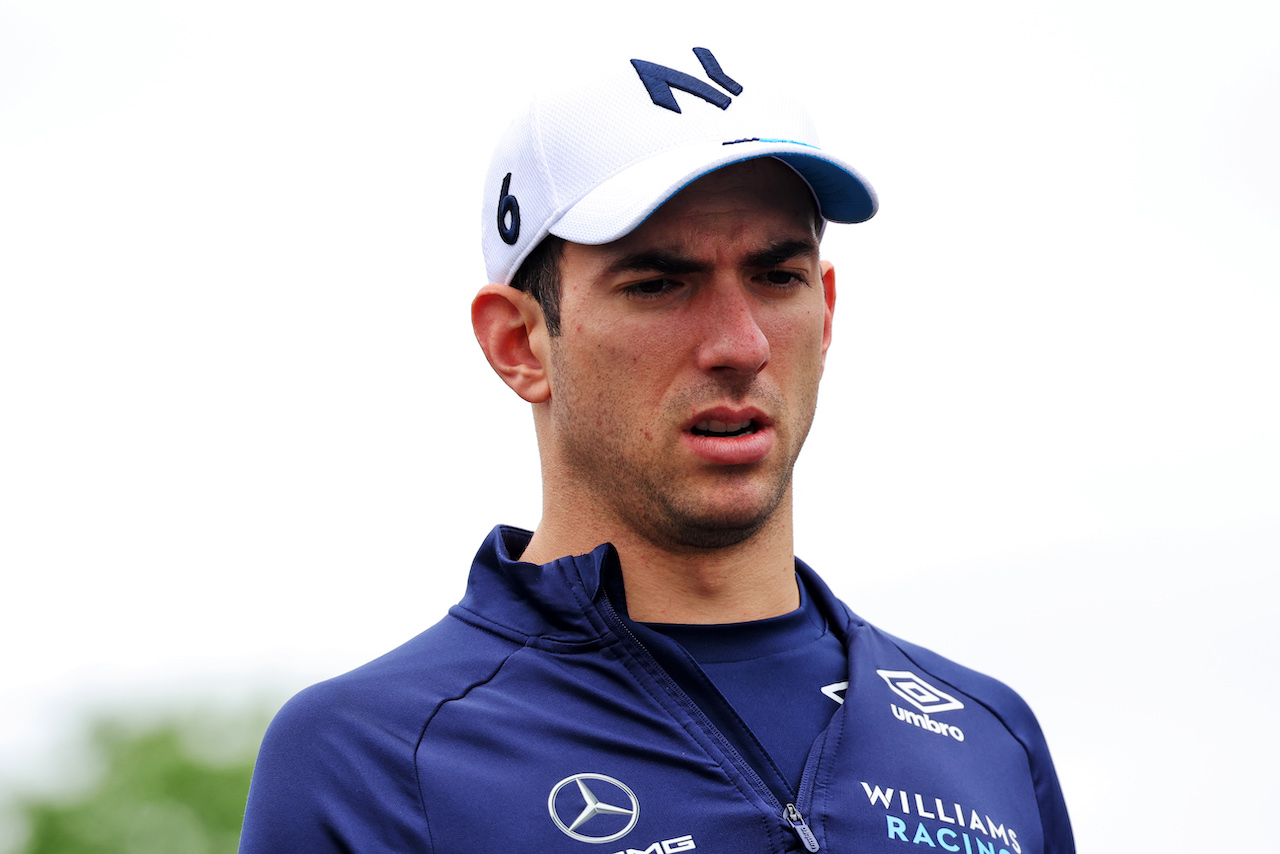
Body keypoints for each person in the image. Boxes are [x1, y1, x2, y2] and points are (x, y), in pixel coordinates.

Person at [239, 45, 1074, 854]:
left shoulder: (990, 740)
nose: (739, 345)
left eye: (776, 277)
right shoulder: (375, 759)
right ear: (520, 346)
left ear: (825, 311)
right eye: (658, 285)